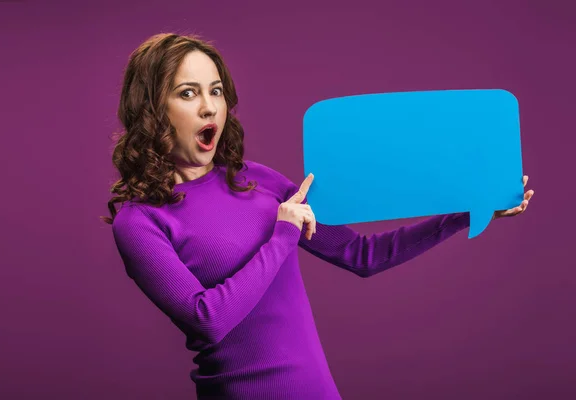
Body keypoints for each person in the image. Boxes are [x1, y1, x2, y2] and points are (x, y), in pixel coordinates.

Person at [102, 33, 534, 399]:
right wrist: (282, 235)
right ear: (152, 109)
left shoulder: (258, 182)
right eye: (187, 93)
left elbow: (364, 256)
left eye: (215, 90)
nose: (209, 107)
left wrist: (464, 213)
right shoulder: (140, 222)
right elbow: (207, 321)